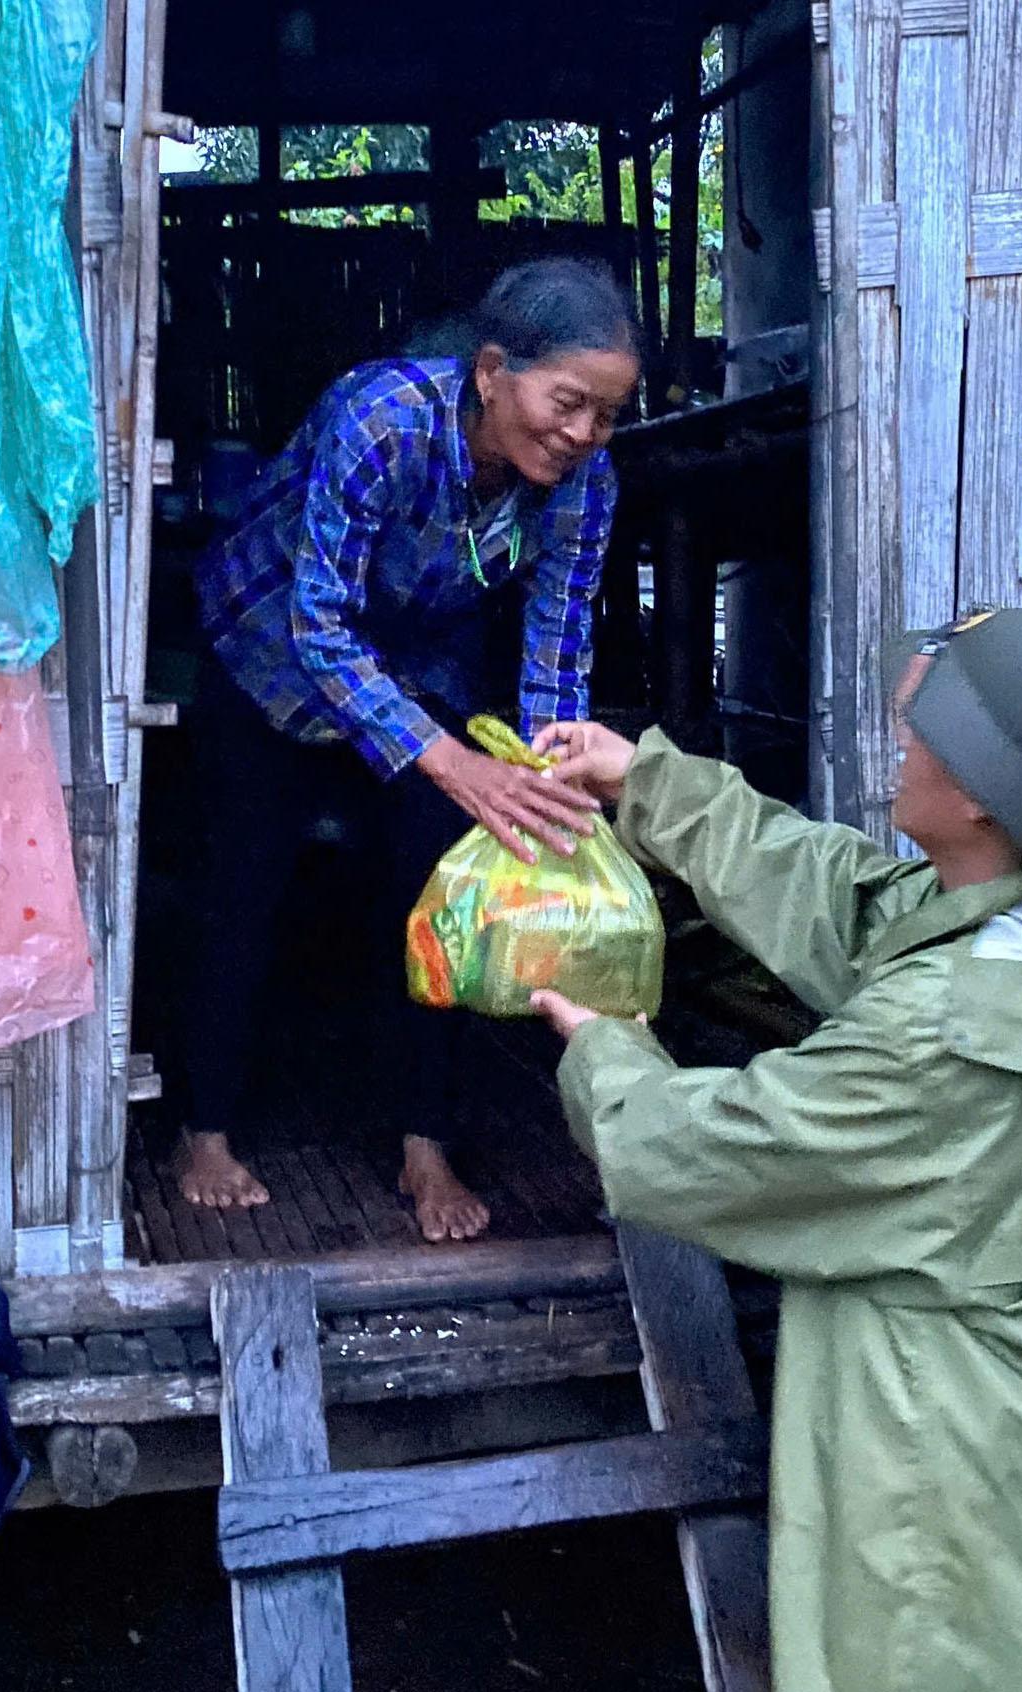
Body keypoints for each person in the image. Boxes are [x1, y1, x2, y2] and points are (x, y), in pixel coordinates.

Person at [531, 607, 1022, 1692]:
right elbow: (849, 906)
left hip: (947, 1487)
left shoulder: (947, 1034)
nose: (901, 738)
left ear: (986, 797)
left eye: (926, 733)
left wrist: (606, 1044)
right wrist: (649, 781)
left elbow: (704, 1153)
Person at [179, 259, 639, 1241]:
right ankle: (202, 1129)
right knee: (242, 888)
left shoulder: (584, 484)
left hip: (422, 659)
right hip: (274, 647)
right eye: (567, 403)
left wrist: (542, 777)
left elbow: (557, 647)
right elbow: (323, 627)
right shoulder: (380, 420)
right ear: (489, 372)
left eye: (605, 415)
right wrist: (450, 761)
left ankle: (423, 1145)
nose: (583, 434)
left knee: (439, 901)